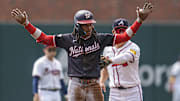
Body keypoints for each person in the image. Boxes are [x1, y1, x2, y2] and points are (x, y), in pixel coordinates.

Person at [11, 2, 153, 101]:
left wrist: (139, 20)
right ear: (78, 26)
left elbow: (125, 36)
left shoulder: (99, 39)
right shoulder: (67, 39)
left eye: (91, 24)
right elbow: (44, 39)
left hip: (94, 83)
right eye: (86, 25)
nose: (89, 27)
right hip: (76, 84)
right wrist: (26, 24)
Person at [99, 18, 142, 101]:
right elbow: (105, 68)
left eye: (124, 31)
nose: (121, 33)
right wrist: (102, 81)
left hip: (132, 91)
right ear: (113, 32)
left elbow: (125, 57)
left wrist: (110, 60)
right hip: (114, 92)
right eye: (118, 31)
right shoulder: (108, 49)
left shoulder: (133, 47)